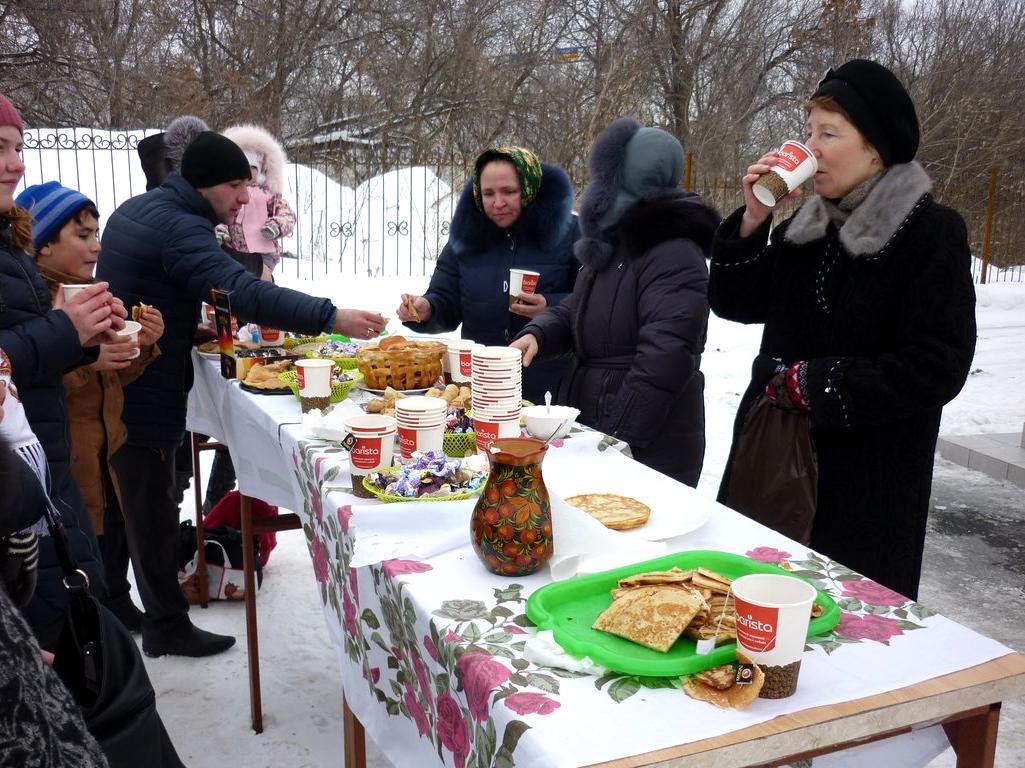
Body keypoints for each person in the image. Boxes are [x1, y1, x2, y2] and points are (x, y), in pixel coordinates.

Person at [97, 130, 386, 657]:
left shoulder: (142, 209)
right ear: (205, 185)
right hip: (144, 387)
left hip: (126, 378)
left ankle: (114, 602)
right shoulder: (180, 229)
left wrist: (186, 328)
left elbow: (149, 290)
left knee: (125, 503)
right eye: (237, 185)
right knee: (151, 506)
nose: (247, 197)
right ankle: (165, 624)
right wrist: (331, 316)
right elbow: (243, 292)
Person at [708, 59, 976, 599]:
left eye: (828, 134)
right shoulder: (805, 228)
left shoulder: (929, 232)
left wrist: (825, 385)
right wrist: (754, 219)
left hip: (865, 483)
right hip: (772, 460)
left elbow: (938, 364)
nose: (812, 148)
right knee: (749, 605)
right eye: (809, 133)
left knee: (840, 629)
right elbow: (733, 302)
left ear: (876, 146)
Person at [512, 119, 719, 486]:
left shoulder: (672, 252)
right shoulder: (617, 243)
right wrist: (540, 334)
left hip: (648, 446)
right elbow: (581, 308)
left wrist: (614, 440)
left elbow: (665, 359)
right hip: (602, 425)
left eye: (608, 175)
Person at [0, 92, 127, 648]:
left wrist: (117, 345)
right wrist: (67, 333)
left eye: (19, 148)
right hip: (32, 486)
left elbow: (36, 368)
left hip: (48, 479)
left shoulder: (9, 254)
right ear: (45, 243)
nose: (16, 162)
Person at [16, 181, 164, 633]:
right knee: (86, 547)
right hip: (67, 462)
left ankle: (115, 604)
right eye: (82, 236)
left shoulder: (87, 294)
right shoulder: (35, 309)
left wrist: (142, 347)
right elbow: (31, 384)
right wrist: (87, 359)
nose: (96, 246)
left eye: (96, 234)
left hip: (104, 452)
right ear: (41, 246)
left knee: (110, 537)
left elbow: (111, 377)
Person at [396, 146, 578, 404]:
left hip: (551, 388)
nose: (498, 203)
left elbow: (596, 304)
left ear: (530, 189)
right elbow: (447, 298)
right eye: (488, 193)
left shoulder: (570, 234)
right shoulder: (466, 238)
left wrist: (550, 306)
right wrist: (427, 308)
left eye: (509, 192)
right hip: (481, 382)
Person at [220, 123, 296, 273]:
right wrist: (220, 230)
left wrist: (276, 225)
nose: (246, 173)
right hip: (234, 250)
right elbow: (219, 213)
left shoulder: (268, 193)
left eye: (252, 168)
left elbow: (287, 214)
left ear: (259, 168)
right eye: (241, 168)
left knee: (261, 281)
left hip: (264, 252)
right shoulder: (229, 191)